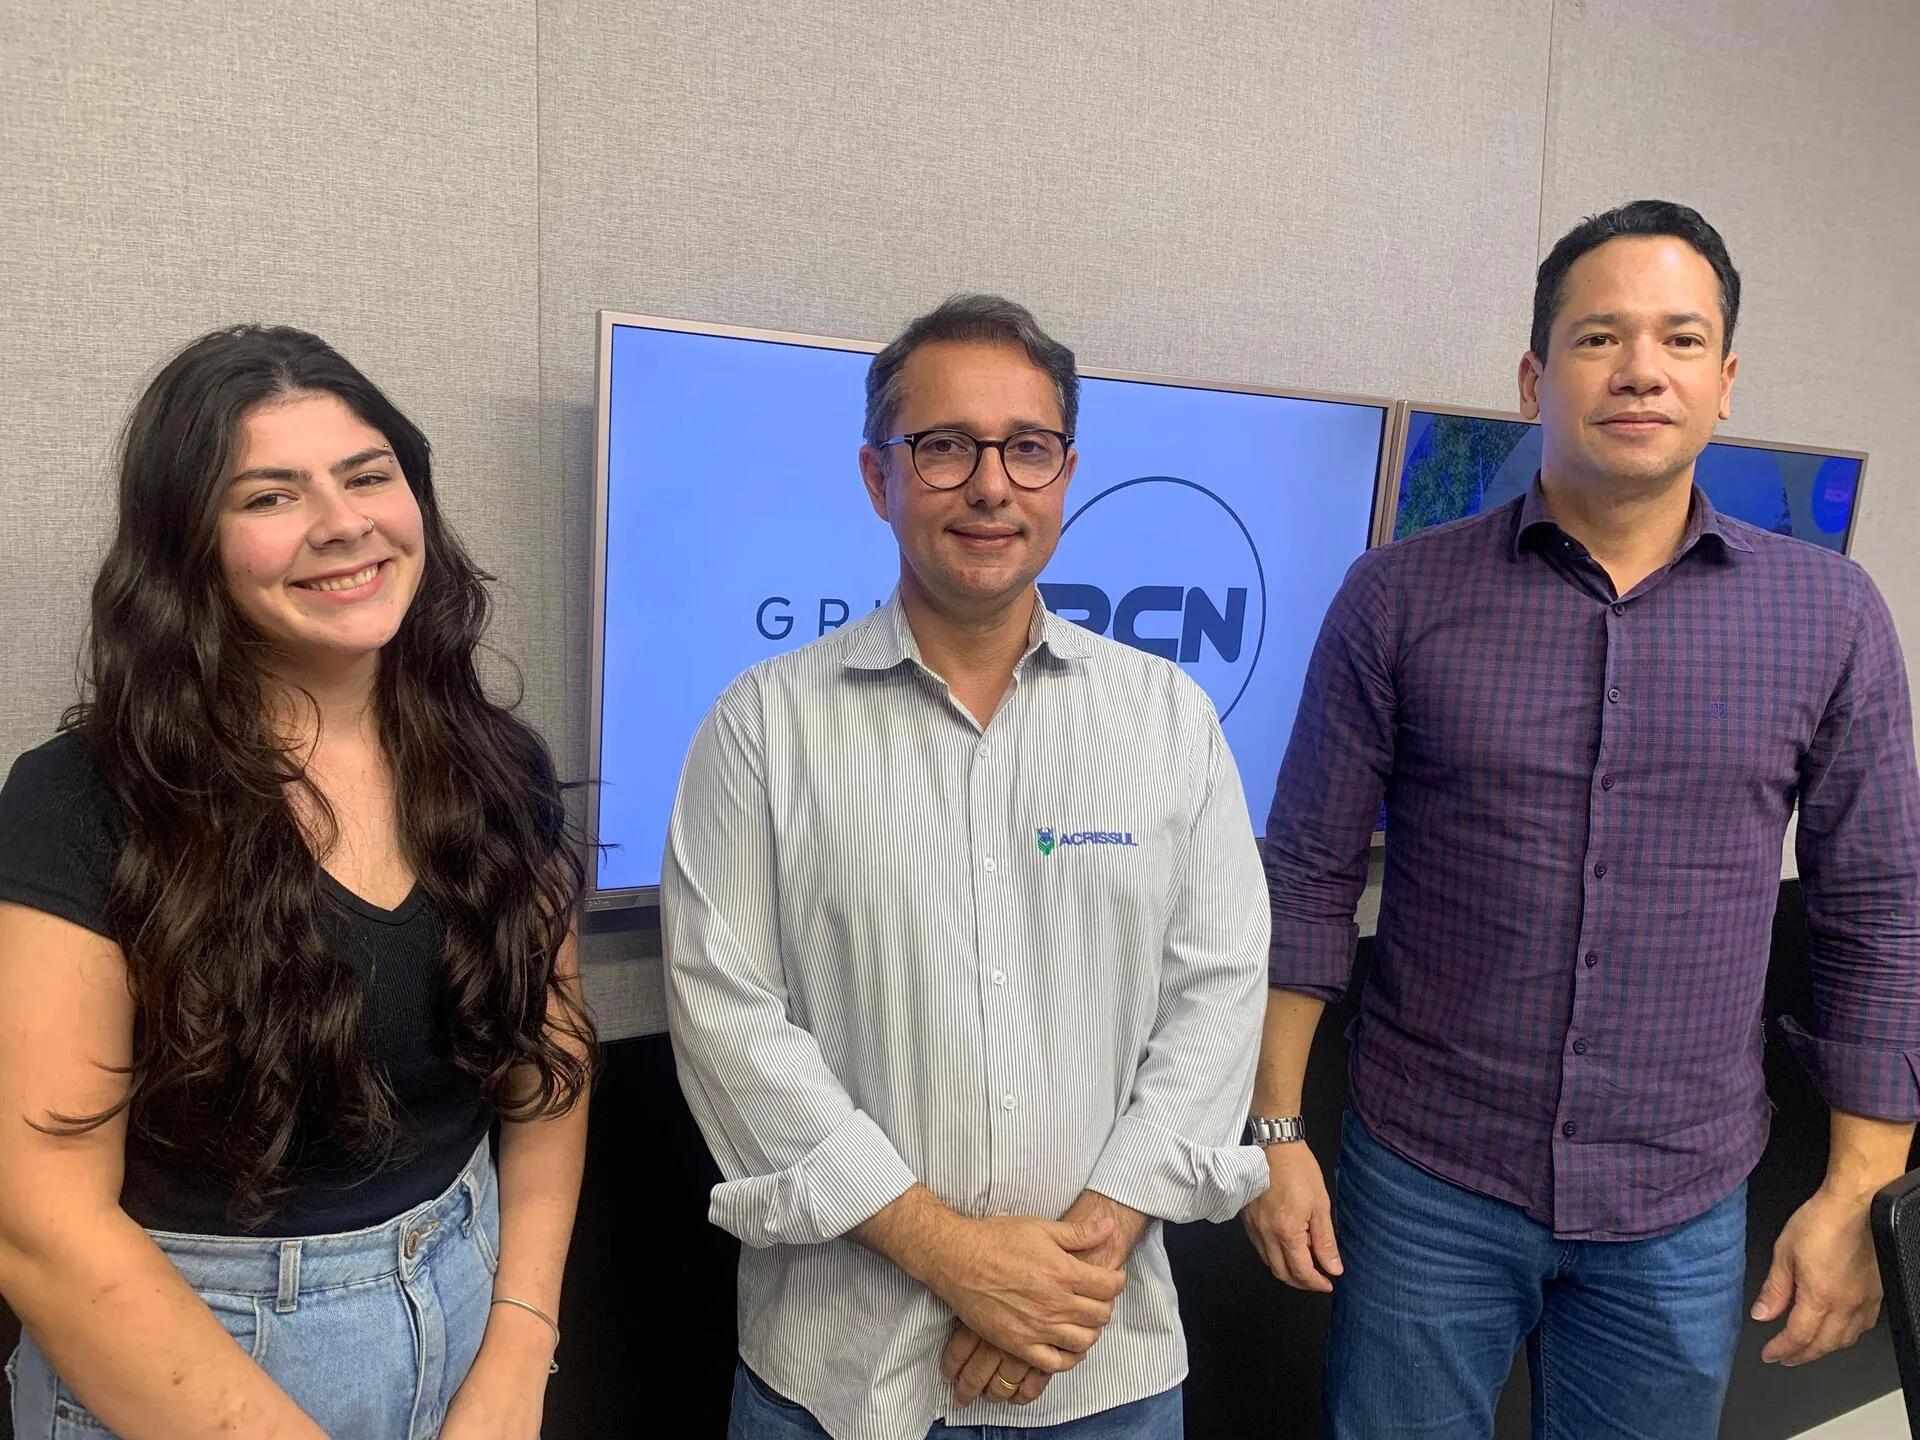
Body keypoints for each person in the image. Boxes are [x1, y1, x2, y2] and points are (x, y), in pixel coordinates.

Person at [1243, 200, 1920, 1438]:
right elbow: (1306, 871)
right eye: (1600, 337)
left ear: (1725, 381)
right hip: (1427, 1178)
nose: (1640, 370)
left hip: (1684, 1196)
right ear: (1534, 375)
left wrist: (1860, 1191)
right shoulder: (1396, 595)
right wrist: (1275, 1125)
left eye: (1679, 339)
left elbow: (1877, 914)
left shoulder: (1830, 616)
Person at [663, 293, 1270, 1440]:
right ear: (876, 476)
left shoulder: (1170, 722)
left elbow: (1218, 997)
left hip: (1097, 1367)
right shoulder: (761, 728)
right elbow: (725, 1019)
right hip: (839, 1373)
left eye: (1026, 448)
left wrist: (1056, 1279)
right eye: (943, 447)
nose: (990, 484)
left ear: (1066, 473)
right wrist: (955, 1259)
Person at [0, 325, 594, 1439]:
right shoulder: (79, 802)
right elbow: (40, 1224)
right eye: (270, 497)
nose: (343, 522)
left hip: (470, 1308)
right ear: (189, 547)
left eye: (369, 476)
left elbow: (549, 1072)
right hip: (185, 1359)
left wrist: (522, 1343)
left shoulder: (497, 767)